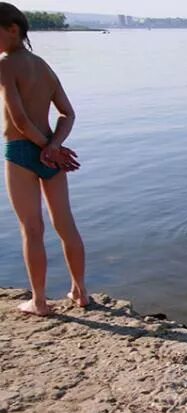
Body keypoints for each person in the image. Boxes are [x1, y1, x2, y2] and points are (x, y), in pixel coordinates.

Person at [1, 3, 86, 316]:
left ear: (13, 28)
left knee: (32, 230)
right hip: (52, 153)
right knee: (66, 225)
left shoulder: (5, 64)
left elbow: (19, 119)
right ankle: (80, 291)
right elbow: (68, 113)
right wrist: (54, 146)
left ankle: (39, 301)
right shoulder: (44, 65)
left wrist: (45, 148)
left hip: (22, 152)